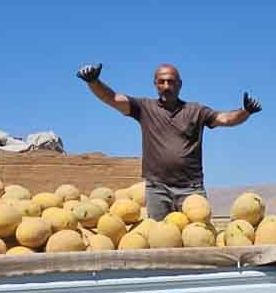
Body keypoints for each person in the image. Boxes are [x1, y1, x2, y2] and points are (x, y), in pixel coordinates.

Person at [77, 62, 262, 219]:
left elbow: (226, 119)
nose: (166, 86)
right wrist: (93, 81)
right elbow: (113, 98)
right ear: (155, 84)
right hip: (158, 190)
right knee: (161, 241)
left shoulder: (195, 110)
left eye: (171, 82)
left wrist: (245, 111)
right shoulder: (144, 108)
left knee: (196, 240)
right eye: (162, 82)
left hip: (192, 190)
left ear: (180, 84)